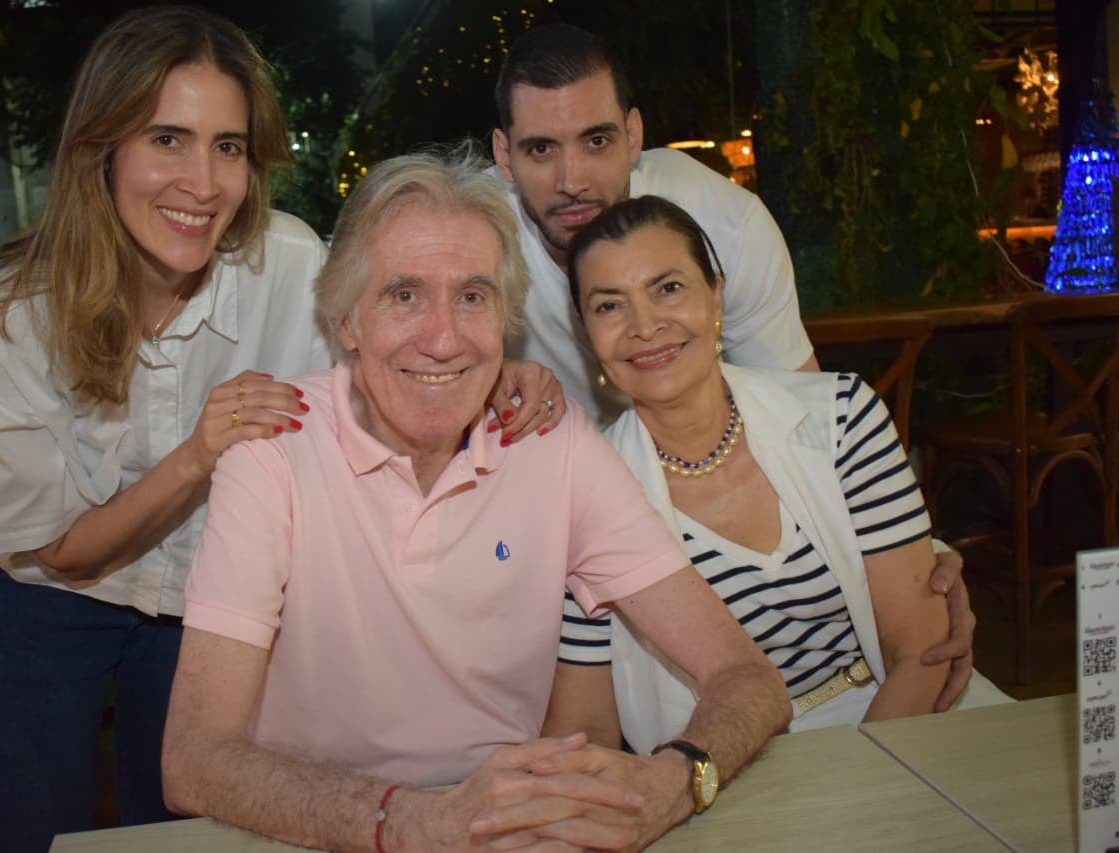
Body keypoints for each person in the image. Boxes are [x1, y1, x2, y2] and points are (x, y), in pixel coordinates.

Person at [0, 9, 560, 852]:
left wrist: (489, 380)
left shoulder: (290, 263)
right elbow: (63, 553)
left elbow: (395, 366)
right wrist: (200, 452)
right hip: (36, 597)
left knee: (192, 830)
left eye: (227, 146)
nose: (203, 181)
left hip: (202, 591)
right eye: (167, 139)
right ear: (101, 148)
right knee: (23, 829)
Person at [162, 150, 791, 851]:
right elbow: (194, 759)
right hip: (310, 827)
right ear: (347, 321)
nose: (442, 338)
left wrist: (674, 783)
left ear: (505, 319)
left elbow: (747, 677)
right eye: (404, 295)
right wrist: (418, 821)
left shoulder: (552, 445)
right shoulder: (272, 449)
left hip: (509, 830)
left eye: (472, 297)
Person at [489, 23, 977, 708]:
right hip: (584, 562)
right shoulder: (473, 248)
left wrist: (905, 555)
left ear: (633, 134)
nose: (572, 180)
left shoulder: (727, 226)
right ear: (503, 157)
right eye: (541, 149)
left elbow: (813, 441)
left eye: (596, 140)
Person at [544, 196, 1010, 752]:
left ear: (716, 293)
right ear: (586, 334)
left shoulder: (839, 418)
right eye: (609, 306)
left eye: (668, 288)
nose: (645, 326)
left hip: (900, 722)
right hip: (724, 759)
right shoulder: (584, 495)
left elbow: (922, 653)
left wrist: (863, 802)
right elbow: (585, 732)